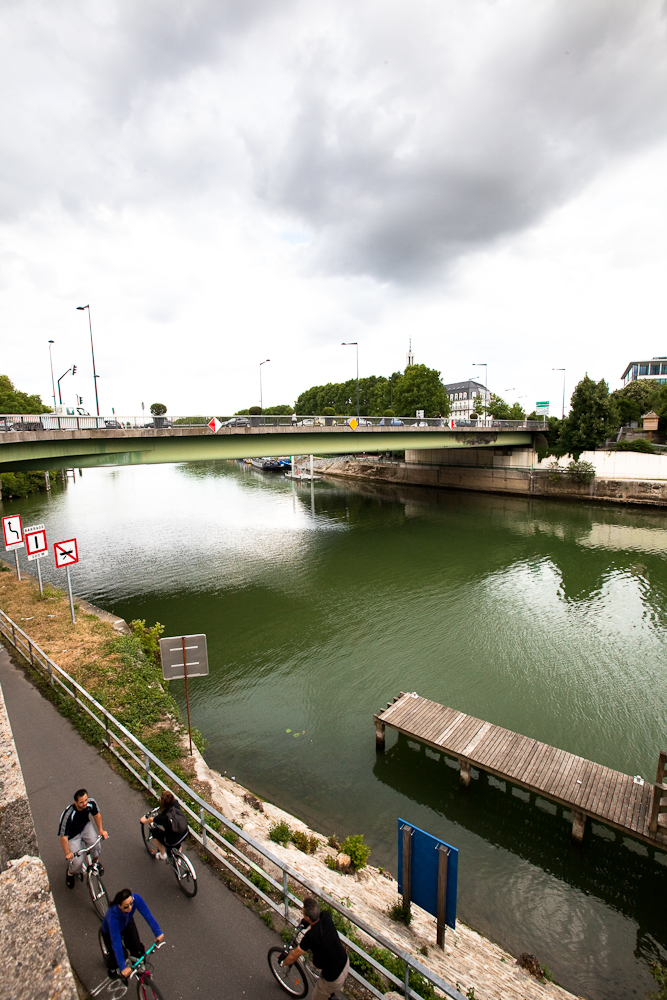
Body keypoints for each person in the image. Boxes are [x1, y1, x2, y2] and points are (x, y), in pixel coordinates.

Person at [283, 897, 349, 1000]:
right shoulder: (326, 916)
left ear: (308, 918)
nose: (303, 915)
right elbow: (319, 927)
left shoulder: (310, 937)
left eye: (303, 913)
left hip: (334, 978)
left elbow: (293, 956)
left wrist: (283, 962)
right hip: (344, 963)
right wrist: (307, 923)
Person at [101, 888, 164, 980]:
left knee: (137, 948)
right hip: (111, 932)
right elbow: (116, 941)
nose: (130, 908)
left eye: (131, 904)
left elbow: (147, 915)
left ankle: (138, 970)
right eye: (126, 907)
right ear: (119, 906)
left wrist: (157, 932)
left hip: (126, 923)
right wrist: (122, 967)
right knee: (121, 954)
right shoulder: (113, 916)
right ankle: (111, 968)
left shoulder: (136, 899)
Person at [58, 788, 108, 888]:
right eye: (81, 802)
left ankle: (95, 863)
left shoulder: (91, 803)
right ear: (75, 803)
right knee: (77, 862)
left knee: (96, 845)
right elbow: (63, 837)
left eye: (86, 800)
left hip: (85, 827)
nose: (85, 803)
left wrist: (101, 831)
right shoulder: (68, 815)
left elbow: (97, 815)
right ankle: (70, 873)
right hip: (72, 836)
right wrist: (68, 853)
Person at [140, 790, 188, 860]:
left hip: (172, 841)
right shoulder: (176, 803)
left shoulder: (163, 817)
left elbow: (150, 819)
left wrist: (143, 820)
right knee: (175, 835)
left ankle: (163, 854)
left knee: (155, 832)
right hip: (185, 832)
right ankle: (178, 856)